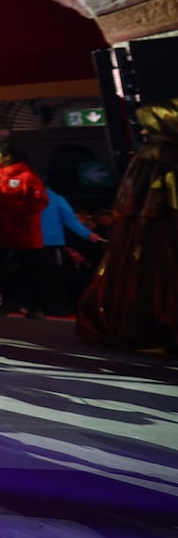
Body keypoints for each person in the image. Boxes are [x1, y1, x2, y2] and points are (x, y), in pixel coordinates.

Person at [77, 100, 175, 350]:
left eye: (147, 127)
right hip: (150, 231)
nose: (142, 133)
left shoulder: (158, 161)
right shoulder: (150, 160)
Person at [0, 143, 49, 318]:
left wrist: (9, 204)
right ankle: (8, 301)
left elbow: (40, 202)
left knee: (31, 272)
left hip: (25, 235)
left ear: (7, 157)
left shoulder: (27, 177)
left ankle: (34, 306)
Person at [40, 185, 97, 315]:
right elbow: (71, 221)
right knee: (54, 277)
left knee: (44, 276)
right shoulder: (55, 199)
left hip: (35, 243)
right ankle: (56, 307)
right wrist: (88, 235)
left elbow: (72, 221)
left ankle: (43, 307)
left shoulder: (27, 198)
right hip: (49, 244)